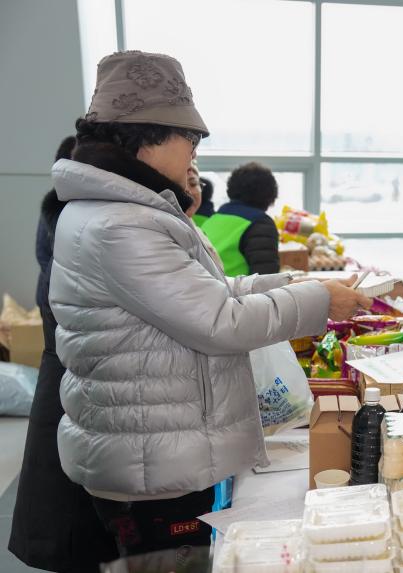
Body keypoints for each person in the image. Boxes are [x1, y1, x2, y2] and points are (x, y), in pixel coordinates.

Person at [48, 50, 370, 559]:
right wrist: (317, 298)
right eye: (190, 142)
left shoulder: (127, 210)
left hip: (156, 444)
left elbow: (212, 294)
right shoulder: (121, 224)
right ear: (149, 137)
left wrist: (297, 282)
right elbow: (220, 321)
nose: (193, 157)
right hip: (150, 461)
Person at [8, 136, 119, 573]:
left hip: (66, 366)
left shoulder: (65, 210)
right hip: (73, 374)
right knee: (69, 511)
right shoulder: (83, 218)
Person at [202, 162, 280, 276]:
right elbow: (266, 279)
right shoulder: (260, 224)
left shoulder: (211, 220)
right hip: (236, 292)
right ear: (270, 194)